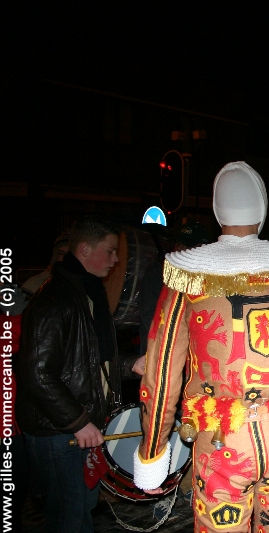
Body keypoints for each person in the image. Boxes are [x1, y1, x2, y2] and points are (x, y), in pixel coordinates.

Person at [133, 162, 269, 533]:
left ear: (217, 211)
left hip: (222, 438)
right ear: (262, 210)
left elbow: (162, 372)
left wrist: (152, 451)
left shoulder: (186, 276)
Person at [17, 215, 141, 533]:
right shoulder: (55, 299)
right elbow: (36, 372)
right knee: (69, 518)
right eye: (110, 251)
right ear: (85, 249)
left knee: (81, 509)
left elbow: (89, 361)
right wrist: (77, 421)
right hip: (59, 431)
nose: (116, 260)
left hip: (79, 425)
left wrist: (131, 364)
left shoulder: (87, 293)